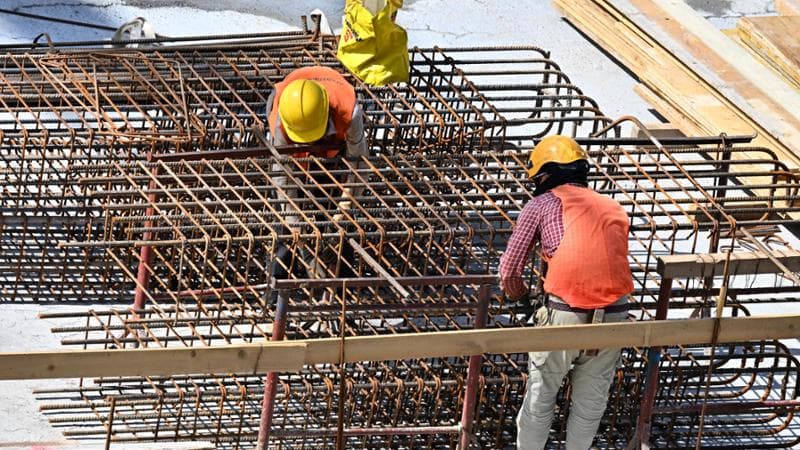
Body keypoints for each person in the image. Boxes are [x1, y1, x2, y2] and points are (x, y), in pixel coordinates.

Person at [498, 135, 634, 450]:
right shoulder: (611, 206)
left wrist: (520, 299)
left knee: (540, 396)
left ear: (545, 174)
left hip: (565, 313)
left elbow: (509, 270)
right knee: (590, 403)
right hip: (615, 315)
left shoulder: (541, 204)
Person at [266, 66, 368, 280]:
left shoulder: (349, 111)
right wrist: (296, 228)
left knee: (332, 210)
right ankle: (279, 284)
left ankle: (340, 284)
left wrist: (343, 212)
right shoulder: (282, 119)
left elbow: (359, 167)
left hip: (332, 150)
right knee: (284, 222)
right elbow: (282, 178)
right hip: (291, 119)